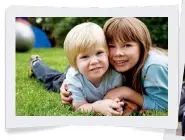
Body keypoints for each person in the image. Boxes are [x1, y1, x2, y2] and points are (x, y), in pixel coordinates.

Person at [61, 17, 168, 111]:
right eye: (111, 46)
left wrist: (126, 92)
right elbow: (79, 63)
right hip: (87, 82)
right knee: (53, 78)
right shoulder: (107, 62)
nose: (118, 53)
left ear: (142, 45)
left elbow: (165, 106)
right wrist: (67, 82)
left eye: (127, 45)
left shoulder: (154, 66)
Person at [29, 22, 125, 116]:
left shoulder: (116, 76)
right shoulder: (74, 78)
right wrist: (96, 107)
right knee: (51, 79)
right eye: (85, 56)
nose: (94, 61)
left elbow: (118, 98)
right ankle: (36, 63)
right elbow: (79, 107)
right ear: (74, 63)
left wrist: (116, 103)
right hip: (76, 77)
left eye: (99, 53)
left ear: (107, 53)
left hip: (82, 72)